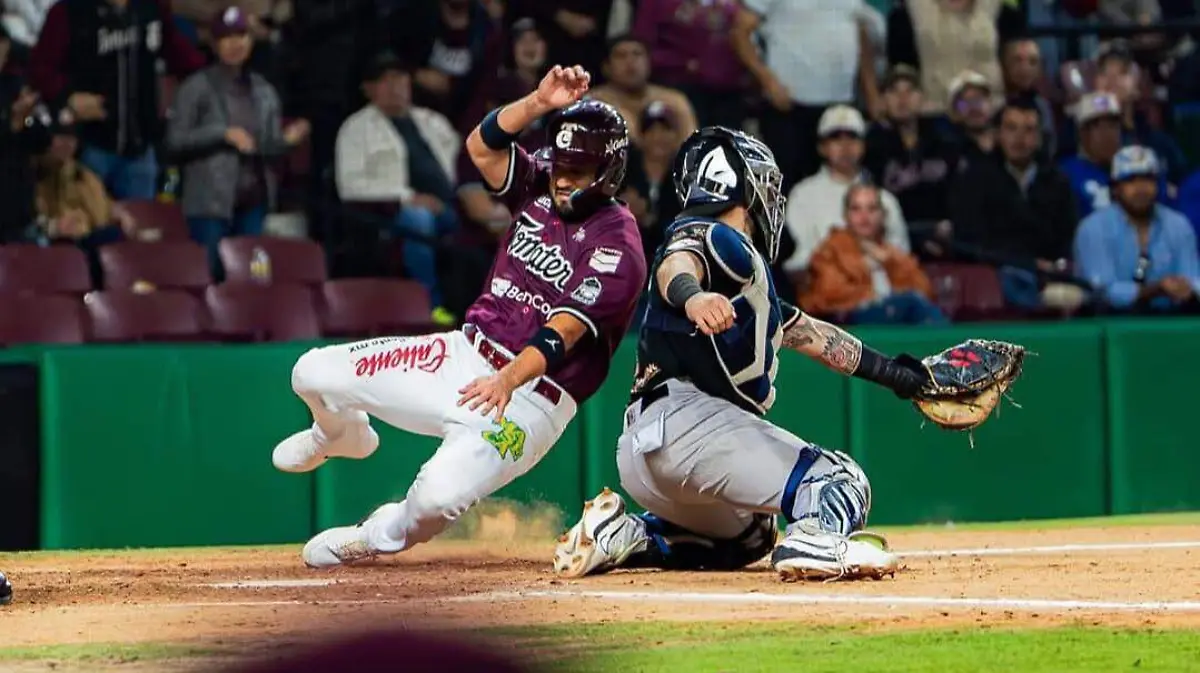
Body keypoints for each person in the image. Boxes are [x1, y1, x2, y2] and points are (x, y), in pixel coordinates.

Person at [275, 65, 647, 568]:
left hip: (528, 399)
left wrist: (507, 379)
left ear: (608, 174)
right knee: (311, 371)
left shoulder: (618, 246)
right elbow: (481, 147)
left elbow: (563, 331)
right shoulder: (542, 183)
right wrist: (537, 103)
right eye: (559, 165)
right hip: (463, 353)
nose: (562, 179)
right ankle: (337, 434)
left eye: (576, 172)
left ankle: (377, 533)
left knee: (432, 501)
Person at [552, 125, 932, 582]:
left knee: (749, 537)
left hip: (642, 454)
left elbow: (814, 335)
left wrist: (900, 377)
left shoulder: (744, 278)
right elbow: (679, 261)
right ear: (742, 185)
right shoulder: (716, 236)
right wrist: (692, 297)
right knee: (837, 480)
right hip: (692, 429)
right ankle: (815, 540)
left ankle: (623, 534)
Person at [1074, 145, 1200, 314]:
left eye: (1148, 179)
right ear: (1115, 188)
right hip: (1111, 322)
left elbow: (1193, 277)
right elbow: (1100, 291)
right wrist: (1153, 290)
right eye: (1131, 180)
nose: (1141, 188)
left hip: (1172, 321)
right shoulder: (1093, 228)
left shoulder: (1177, 224)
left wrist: (1187, 288)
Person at [800, 183, 946, 325]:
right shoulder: (831, 249)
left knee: (912, 304)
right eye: (856, 209)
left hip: (896, 317)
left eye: (872, 208)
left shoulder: (891, 252)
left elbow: (924, 292)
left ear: (883, 215)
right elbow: (828, 293)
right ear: (845, 215)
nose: (864, 216)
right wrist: (875, 296)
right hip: (851, 321)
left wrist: (890, 264)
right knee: (909, 303)